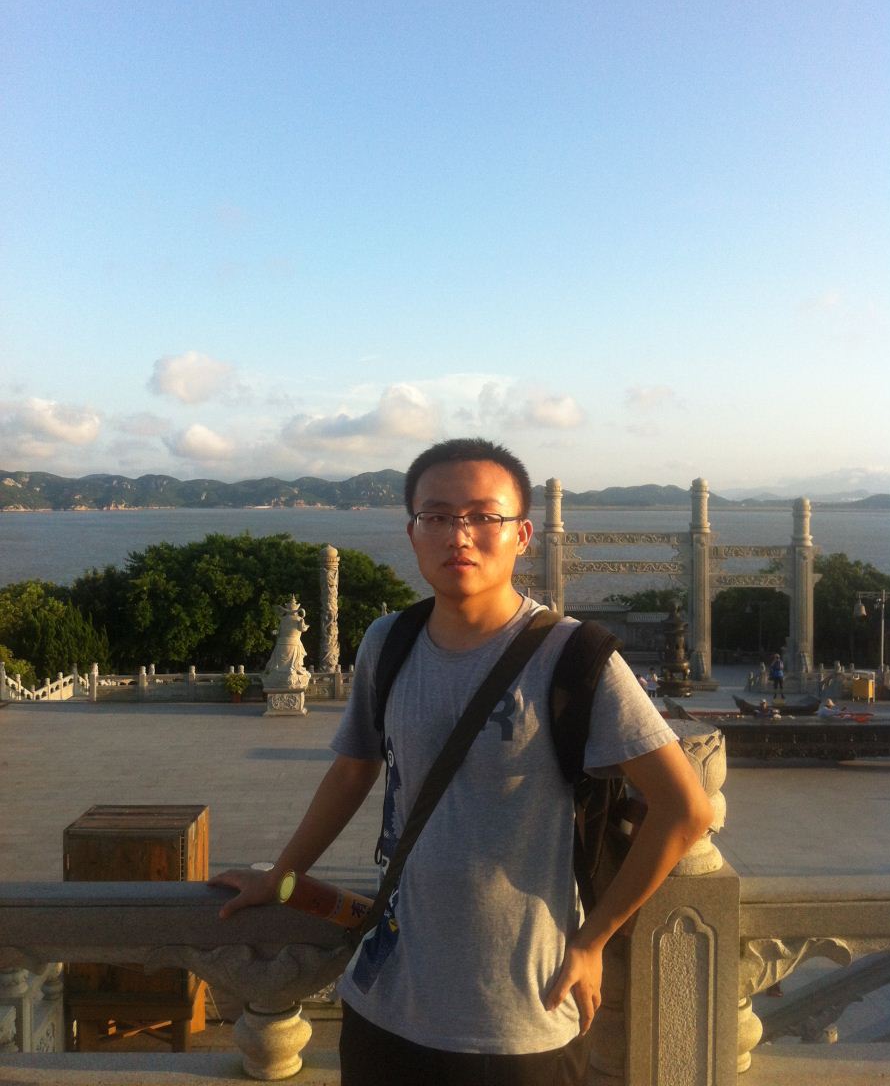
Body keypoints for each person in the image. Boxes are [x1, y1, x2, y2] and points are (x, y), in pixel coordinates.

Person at [212, 438, 713, 1086]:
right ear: (413, 533)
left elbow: (684, 809)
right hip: (383, 1002)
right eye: (438, 516)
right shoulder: (388, 642)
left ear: (522, 534)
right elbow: (352, 771)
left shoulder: (574, 658)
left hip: (521, 1016)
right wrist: (281, 876)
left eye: (484, 516)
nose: (460, 535)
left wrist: (594, 941)